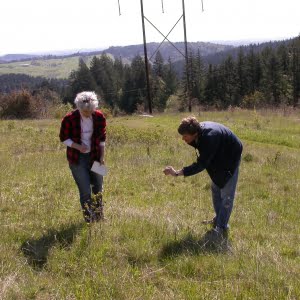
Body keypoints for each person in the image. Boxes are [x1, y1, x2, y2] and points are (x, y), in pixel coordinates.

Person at [163, 116, 243, 236]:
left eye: (185, 136)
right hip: (218, 154)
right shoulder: (198, 133)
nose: (183, 139)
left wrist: (177, 173)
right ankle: (218, 219)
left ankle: (221, 229)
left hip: (230, 156)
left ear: (194, 133)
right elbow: (205, 158)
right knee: (216, 189)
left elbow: (201, 165)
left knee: (227, 195)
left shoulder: (209, 137)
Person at [59, 91, 106, 223]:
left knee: (99, 187)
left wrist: (102, 156)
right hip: (77, 159)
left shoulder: (99, 117)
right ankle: (90, 220)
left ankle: (99, 217)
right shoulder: (69, 119)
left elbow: (102, 138)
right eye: (85, 111)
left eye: (91, 110)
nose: (88, 113)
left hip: (96, 156)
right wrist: (78, 147)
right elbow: (63, 138)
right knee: (85, 191)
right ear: (78, 108)